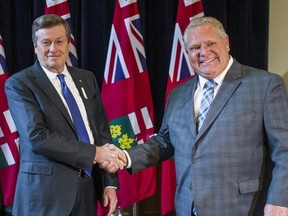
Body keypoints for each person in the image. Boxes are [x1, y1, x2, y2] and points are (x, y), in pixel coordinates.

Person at [102, 16, 288, 215]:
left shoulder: (265, 85)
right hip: (188, 207)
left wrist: (280, 200)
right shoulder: (178, 93)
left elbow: (284, 149)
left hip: (243, 207)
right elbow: (165, 141)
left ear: (226, 43)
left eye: (210, 43)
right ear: (187, 52)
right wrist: (126, 157)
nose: (203, 52)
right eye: (194, 47)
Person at [5, 14, 125, 216]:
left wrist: (109, 183)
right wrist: (95, 153)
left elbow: (101, 131)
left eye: (59, 41)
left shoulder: (86, 78)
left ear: (69, 43)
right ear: (35, 46)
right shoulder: (20, 83)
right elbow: (37, 137)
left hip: (86, 190)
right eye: (46, 42)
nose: (53, 48)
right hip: (44, 196)